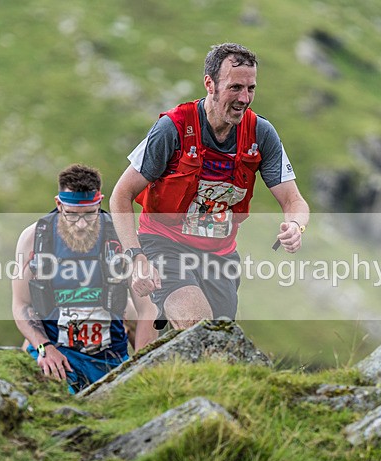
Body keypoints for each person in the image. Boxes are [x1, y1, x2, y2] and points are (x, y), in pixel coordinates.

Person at [110, 42, 310, 330]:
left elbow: (294, 202)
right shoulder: (173, 128)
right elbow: (121, 195)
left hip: (220, 256)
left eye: (251, 88)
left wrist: (295, 226)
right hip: (165, 246)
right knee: (199, 327)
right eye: (235, 88)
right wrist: (136, 257)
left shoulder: (260, 133)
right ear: (210, 84)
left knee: (220, 343)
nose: (244, 98)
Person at [12, 164, 157, 393]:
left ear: (100, 203)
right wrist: (44, 348)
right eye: (72, 214)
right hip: (57, 353)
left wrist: (140, 364)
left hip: (109, 356)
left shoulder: (121, 236)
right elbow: (21, 304)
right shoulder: (34, 238)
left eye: (90, 214)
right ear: (59, 204)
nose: (81, 225)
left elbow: (147, 309)